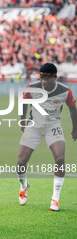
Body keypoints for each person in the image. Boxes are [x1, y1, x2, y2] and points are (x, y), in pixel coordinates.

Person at [17, 63, 77, 211]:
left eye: (47, 78)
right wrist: (22, 120)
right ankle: (24, 185)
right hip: (34, 127)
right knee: (20, 162)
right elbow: (23, 102)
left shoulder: (65, 91)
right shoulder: (32, 88)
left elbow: (73, 110)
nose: (44, 81)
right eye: (42, 77)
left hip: (53, 126)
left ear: (55, 77)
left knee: (60, 159)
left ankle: (55, 198)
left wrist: (75, 129)